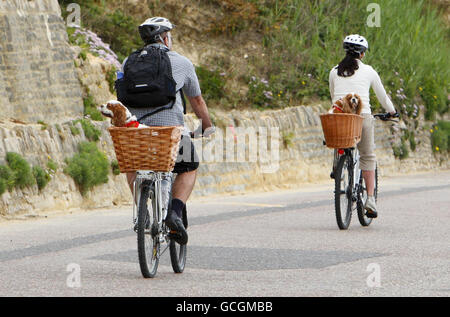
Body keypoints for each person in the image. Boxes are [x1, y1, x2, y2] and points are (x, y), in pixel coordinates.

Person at [122, 17, 214, 244]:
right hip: (170, 136)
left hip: (137, 134)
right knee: (189, 166)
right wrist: (206, 126)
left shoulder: (127, 62)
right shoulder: (181, 62)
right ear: (165, 38)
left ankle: (141, 211)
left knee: (131, 162)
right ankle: (174, 212)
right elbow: (197, 101)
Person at [329, 34, 396, 218]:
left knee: (340, 140)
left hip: (339, 116)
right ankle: (370, 199)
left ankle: (338, 165)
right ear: (362, 54)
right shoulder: (369, 71)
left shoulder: (334, 71)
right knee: (367, 155)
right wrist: (391, 111)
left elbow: (334, 95)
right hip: (362, 116)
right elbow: (382, 97)